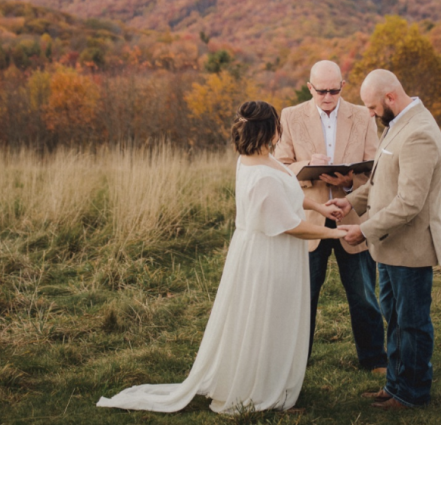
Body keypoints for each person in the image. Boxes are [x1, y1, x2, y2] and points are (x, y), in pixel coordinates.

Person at [97, 101, 347, 417]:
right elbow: (289, 226)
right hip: (267, 258)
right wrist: (336, 234)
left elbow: (288, 201)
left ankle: (268, 383)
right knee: (266, 321)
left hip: (269, 252)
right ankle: (259, 395)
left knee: (272, 319)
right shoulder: (261, 175)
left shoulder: (261, 160)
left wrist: (323, 210)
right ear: (270, 131)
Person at [329, 70, 441, 411]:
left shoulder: (420, 133)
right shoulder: (396, 126)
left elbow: (410, 202)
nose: (369, 114)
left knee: (412, 323)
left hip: (410, 249)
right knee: (394, 320)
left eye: (372, 106)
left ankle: (412, 393)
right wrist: (351, 201)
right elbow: (382, 185)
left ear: (390, 98)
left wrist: (362, 230)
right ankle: (395, 385)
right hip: (389, 247)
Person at [275, 60, 387, 371]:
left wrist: (349, 182)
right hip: (310, 221)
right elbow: (281, 166)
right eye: (321, 91)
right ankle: (297, 362)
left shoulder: (362, 116)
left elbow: (375, 166)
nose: (327, 97)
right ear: (309, 87)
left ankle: (375, 359)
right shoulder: (290, 116)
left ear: (342, 86)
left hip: (352, 216)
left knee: (364, 292)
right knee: (304, 296)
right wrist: (307, 165)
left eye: (334, 90)